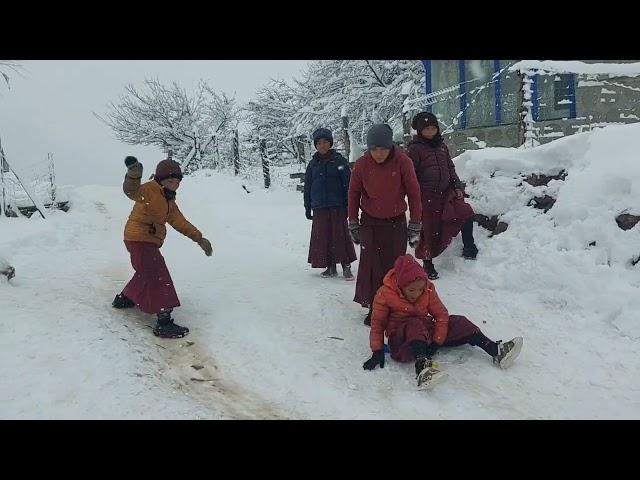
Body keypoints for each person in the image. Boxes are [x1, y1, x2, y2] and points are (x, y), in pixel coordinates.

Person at [362, 254, 523, 388]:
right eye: (411, 290)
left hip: (425, 332)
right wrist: (377, 350)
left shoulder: (428, 288)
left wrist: (437, 341)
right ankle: (423, 368)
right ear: (400, 285)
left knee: (459, 321)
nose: (417, 293)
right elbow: (378, 324)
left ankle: (496, 350)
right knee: (414, 323)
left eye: (420, 289)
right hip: (402, 339)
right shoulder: (385, 294)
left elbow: (440, 314)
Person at [112, 156, 213, 338]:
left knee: (147, 270)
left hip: (147, 240)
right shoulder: (150, 190)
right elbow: (132, 191)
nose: (174, 184)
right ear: (160, 179)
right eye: (170, 180)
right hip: (138, 238)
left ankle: (125, 298)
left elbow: (181, 222)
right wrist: (133, 175)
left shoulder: (169, 201)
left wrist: (199, 238)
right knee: (158, 274)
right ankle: (163, 321)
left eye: (177, 181)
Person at [348, 124, 423, 325]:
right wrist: (353, 222)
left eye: (383, 149)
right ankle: (375, 306)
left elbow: (414, 194)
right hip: (370, 222)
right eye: (374, 149)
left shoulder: (403, 162)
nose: (378, 154)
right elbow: (353, 194)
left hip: (395, 222)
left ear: (390, 147)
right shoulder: (362, 165)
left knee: (394, 266)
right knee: (371, 265)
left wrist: (415, 224)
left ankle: (394, 306)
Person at [407, 112, 478, 280]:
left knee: (465, 212)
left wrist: (457, 186)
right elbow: (410, 175)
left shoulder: (442, 146)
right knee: (429, 228)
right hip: (426, 195)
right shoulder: (414, 149)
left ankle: (469, 247)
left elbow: (450, 168)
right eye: (427, 129)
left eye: (433, 128)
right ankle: (427, 261)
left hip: (446, 193)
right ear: (420, 131)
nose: (431, 132)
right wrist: (416, 195)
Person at [304, 128, 356, 279]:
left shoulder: (339, 161)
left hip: (337, 206)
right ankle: (330, 266)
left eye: (325, 142)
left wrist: (348, 206)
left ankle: (346, 266)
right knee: (323, 237)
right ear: (315, 145)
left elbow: (348, 185)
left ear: (330, 143)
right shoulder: (313, 164)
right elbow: (308, 187)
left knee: (340, 236)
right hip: (319, 207)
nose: (322, 145)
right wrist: (308, 207)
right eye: (319, 143)